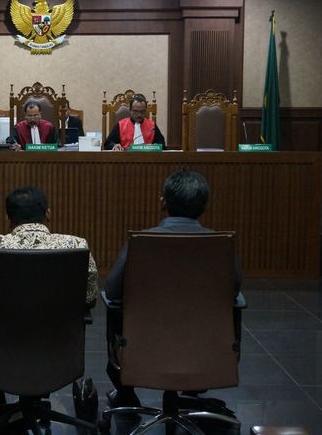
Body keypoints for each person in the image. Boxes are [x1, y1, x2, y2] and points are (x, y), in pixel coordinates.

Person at [103, 169, 243, 408]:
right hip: (206, 351)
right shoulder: (221, 246)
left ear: (162, 202)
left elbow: (113, 292)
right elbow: (234, 291)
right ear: (204, 206)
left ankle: (126, 396)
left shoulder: (140, 242)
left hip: (143, 348)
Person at [0, 186, 99, 405]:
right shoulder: (76, 246)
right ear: (48, 213)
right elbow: (90, 297)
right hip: (56, 347)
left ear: (8, 217)